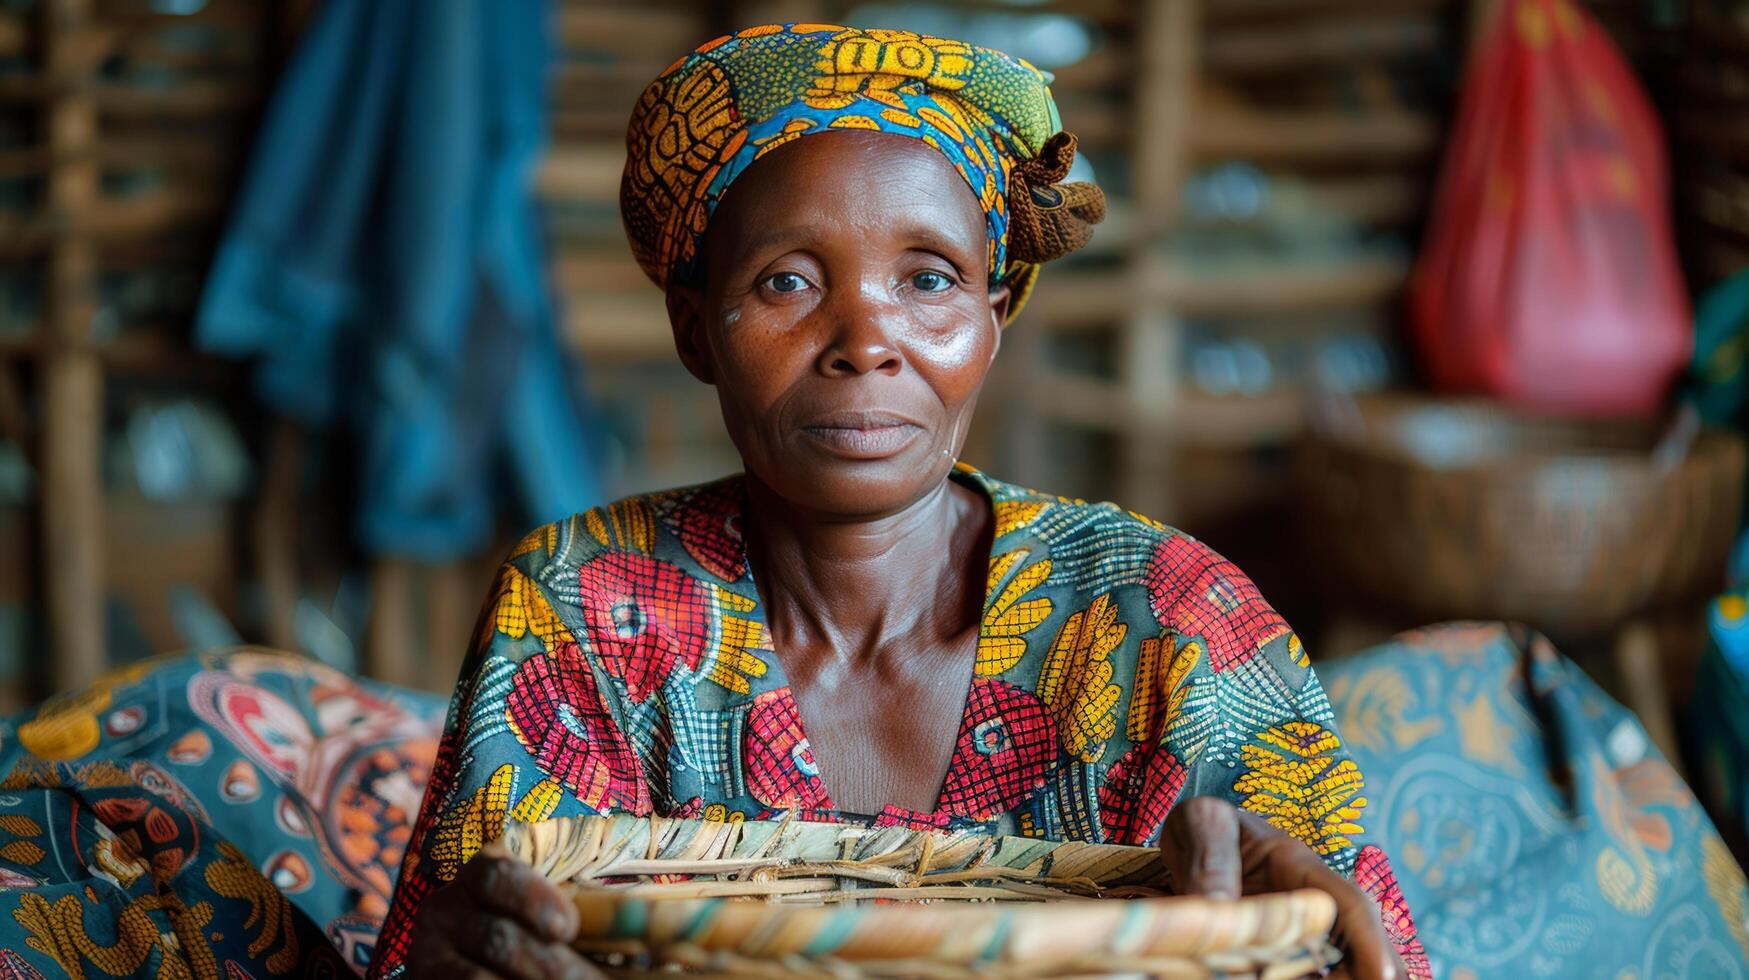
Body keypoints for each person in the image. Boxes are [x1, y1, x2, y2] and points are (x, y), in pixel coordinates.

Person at [373, 24, 1426, 980]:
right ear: (696, 330)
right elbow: (491, 929)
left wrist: (1314, 939)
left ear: (995, 312)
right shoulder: (585, 605)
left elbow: (1369, 947)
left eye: (928, 280)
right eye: (787, 281)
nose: (865, 341)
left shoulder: (1166, 619)